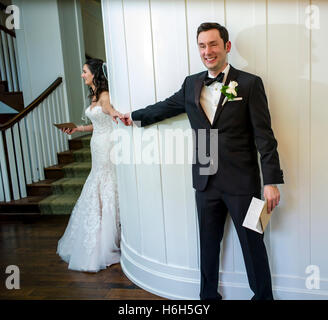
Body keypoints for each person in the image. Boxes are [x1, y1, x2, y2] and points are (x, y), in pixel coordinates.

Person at [121, 23, 284, 300]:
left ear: (226, 47)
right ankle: (207, 297)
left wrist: (271, 181)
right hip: (205, 180)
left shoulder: (249, 83)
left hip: (243, 182)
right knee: (207, 246)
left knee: (253, 244)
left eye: (213, 44)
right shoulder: (191, 83)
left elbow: (264, 136)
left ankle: (264, 297)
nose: (207, 51)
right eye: (202, 45)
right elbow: (165, 107)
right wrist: (133, 116)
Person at [57, 58, 123, 272]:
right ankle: (99, 226)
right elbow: (96, 124)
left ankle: (109, 235)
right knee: (98, 180)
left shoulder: (104, 96)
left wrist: (116, 114)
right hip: (97, 143)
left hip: (106, 145)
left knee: (105, 182)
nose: (82, 75)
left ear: (94, 73)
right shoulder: (94, 95)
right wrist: (77, 128)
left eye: (84, 71)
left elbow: (109, 110)